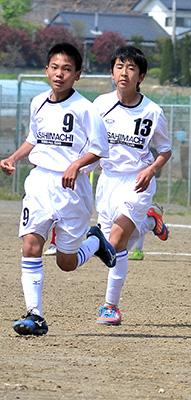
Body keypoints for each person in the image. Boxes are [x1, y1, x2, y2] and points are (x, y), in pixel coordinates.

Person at [0, 43, 117, 336]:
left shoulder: (86, 109)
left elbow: (99, 149)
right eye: (54, 67)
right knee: (30, 244)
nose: (59, 74)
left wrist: (76, 165)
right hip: (40, 182)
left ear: (77, 74)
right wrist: (14, 157)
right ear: (46, 70)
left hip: (71, 189)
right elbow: (33, 139)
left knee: (66, 263)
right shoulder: (38, 102)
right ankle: (35, 314)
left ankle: (95, 242)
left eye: (67, 69)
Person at [93, 46, 172, 325]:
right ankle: (150, 221)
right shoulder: (100, 106)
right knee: (114, 246)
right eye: (119, 67)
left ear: (141, 76)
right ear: (112, 73)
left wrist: (151, 170)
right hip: (107, 182)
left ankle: (109, 307)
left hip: (137, 183)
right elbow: (91, 146)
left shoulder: (153, 111)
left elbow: (165, 150)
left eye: (130, 68)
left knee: (114, 242)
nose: (123, 73)